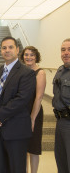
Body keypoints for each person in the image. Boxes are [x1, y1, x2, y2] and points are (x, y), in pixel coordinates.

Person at [0, 36, 36, 173]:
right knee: (2, 168)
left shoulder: (27, 73)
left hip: (16, 130)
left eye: (10, 47)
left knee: (17, 169)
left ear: (17, 49)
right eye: (4, 48)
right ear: (1, 51)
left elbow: (21, 99)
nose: (7, 50)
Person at [20, 46, 46, 173]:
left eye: (31, 55)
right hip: (22, 113)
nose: (28, 57)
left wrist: (32, 118)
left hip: (34, 113)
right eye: (26, 54)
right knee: (23, 147)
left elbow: (39, 97)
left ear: (36, 57)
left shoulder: (40, 73)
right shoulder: (22, 71)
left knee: (34, 148)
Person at [52, 38, 70, 173]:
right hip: (60, 121)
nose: (66, 53)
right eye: (63, 50)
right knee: (61, 159)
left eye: (69, 49)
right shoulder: (60, 70)